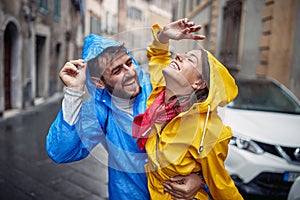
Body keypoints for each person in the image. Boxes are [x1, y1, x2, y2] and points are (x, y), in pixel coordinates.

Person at [46, 19, 206, 200]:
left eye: (129, 63)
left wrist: (200, 179)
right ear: (99, 82)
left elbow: (204, 139)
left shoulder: (158, 85)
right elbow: (60, 152)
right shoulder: (99, 111)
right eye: (116, 71)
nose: (129, 72)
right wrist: (74, 92)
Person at [132, 26, 244, 200]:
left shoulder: (208, 131)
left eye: (190, 59)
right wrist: (164, 35)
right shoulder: (160, 95)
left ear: (199, 83)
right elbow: (158, 56)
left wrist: (201, 179)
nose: (178, 56)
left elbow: (223, 188)